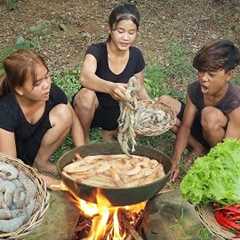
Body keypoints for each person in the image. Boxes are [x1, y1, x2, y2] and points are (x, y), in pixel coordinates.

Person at [0, 49, 85, 177]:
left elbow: (73, 118)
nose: (46, 85)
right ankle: (33, 172)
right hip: (12, 156)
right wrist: (55, 184)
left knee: (65, 112)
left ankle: (41, 163)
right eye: (37, 83)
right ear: (19, 89)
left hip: (34, 146)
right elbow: (10, 167)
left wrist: (83, 154)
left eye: (47, 76)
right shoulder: (6, 111)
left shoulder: (51, 92)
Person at [73, 3, 149, 143]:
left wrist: (150, 106)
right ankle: (83, 139)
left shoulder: (136, 55)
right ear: (110, 30)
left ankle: (114, 133)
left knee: (139, 116)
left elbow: (139, 87)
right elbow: (85, 77)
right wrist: (111, 87)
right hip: (95, 109)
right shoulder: (96, 50)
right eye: (120, 31)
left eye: (131, 33)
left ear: (137, 33)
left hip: (118, 111)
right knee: (86, 95)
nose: (126, 38)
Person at [165, 39, 240, 181]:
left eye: (211, 75)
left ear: (228, 75)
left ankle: (208, 154)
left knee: (209, 115)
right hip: (202, 131)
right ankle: (198, 147)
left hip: (224, 144)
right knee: (165, 106)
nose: (203, 78)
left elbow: (229, 149)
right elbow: (186, 126)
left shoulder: (236, 101)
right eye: (201, 72)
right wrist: (175, 160)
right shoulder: (195, 89)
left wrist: (210, 169)